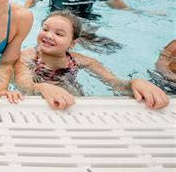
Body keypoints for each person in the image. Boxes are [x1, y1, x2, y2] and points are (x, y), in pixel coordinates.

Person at [14, 11, 169, 110]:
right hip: (39, 103)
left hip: (73, 101)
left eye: (59, 34)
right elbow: (24, 84)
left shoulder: (81, 61)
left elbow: (115, 84)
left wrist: (135, 83)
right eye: (45, 29)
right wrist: (41, 87)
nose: (48, 36)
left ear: (73, 43)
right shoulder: (28, 56)